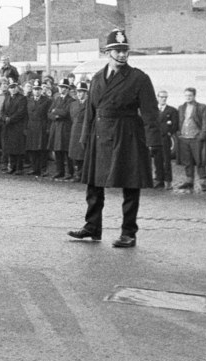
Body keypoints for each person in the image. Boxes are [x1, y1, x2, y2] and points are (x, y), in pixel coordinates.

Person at [68, 29, 159, 248]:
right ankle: (92, 226)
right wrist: (84, 137)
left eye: (124, 50)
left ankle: (128, 233)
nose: (121, 55)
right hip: (99, 136)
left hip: (126, 136)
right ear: (107, 52)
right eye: (117, 50)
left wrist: (153, 142)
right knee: (93, 185)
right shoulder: (98, 77)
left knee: (130, 186)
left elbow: (150, 113)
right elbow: (90, 110)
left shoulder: (139, 78)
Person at [174, 88, 206, 193]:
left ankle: (203, 182)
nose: (188, 97)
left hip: (196, 138)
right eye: (186, 95)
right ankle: (189, 181)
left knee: (200, 160)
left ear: (194, 96)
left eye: (190, 95)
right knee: (187, 161)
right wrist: (178, 133)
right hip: (184, 138)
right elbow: (178, 121)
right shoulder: (181, 108)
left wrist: (201, 136)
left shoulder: (202, 107)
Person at [48, 78, 75, 180]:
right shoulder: (57, 99)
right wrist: (55, 115)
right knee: (57, 150)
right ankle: (60, 171)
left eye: (63, 87)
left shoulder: (71, 100)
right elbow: (49, 113)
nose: (61, 89)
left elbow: (66, 113)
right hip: (56, 127)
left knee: (66, 151)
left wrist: (56, 111)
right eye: (60, 87)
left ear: (67, 89)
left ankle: (70, 172)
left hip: (65, 128)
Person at [151, 90, 178, 189]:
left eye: (165, 97)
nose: (163, 99)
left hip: (165, 138)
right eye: (161, 97)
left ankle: (168, 181)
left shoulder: (172, 110)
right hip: (155, 138)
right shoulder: (153, 110)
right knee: (157, 160)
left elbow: (175, 125)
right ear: (157, 98)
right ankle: (159, 180)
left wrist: (169, 133)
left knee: (166, 160)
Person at [1, 79, 28, 174]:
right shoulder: (7, 98)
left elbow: (21, 112)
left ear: (17, 88)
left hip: (18, 125)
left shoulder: (22, 98)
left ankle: (19, 168)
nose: (12, 89)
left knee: (18, 148)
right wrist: (5, 118)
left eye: (14, 87)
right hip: (9, 126)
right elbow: (3, 110)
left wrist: (10, 119)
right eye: (10, 88)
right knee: (10, 147)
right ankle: (11, 166)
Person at [26, 79, 50, 177]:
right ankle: (34, 168)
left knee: (42, 149)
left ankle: (43, 169)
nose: (37, 91)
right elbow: (26, 115)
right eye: (35, 89)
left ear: (41, 90)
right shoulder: (29, 100)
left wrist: (47, 127)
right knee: (33, 148)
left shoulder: (47, 101)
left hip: (41, 126)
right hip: (31, 127)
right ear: (32, 90)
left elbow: (48, 115)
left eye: (39, 89)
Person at [67, 81, 88, 181]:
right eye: (78, 92)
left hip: (84, 130)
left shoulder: (89, 104)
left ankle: (83, 174)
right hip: (75, 130)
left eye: (81, 92)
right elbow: (72, 117)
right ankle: (77, 173)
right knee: (75, 154)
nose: (79, 94)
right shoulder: (73, 104)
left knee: (83, 153)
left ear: (86, 93)